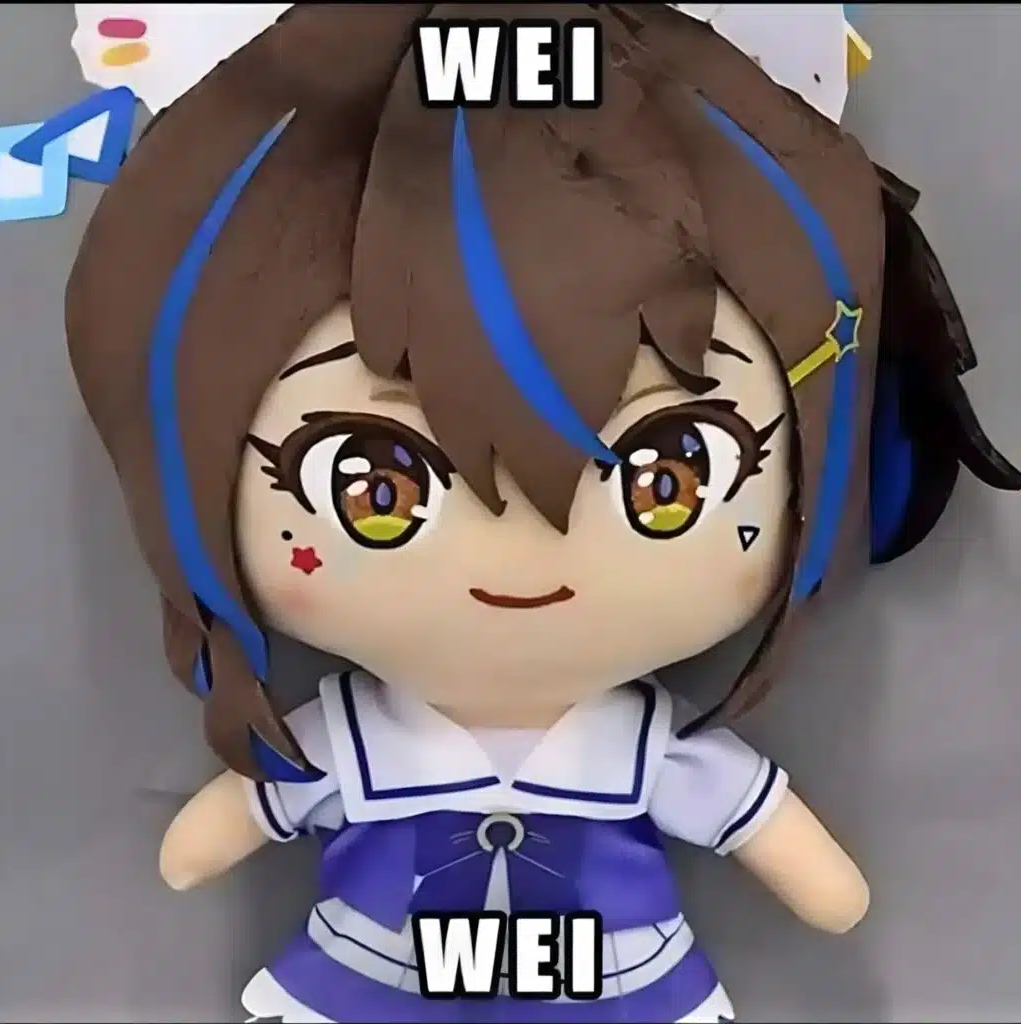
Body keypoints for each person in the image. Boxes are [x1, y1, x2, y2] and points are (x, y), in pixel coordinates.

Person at [64, 5, 1020, 1022]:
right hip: (371, 983)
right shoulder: (354, 741)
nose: (529, 556)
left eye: (667, 478)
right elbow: (218, 831)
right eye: (377, 487)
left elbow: (796, 860)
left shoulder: (641, 749)